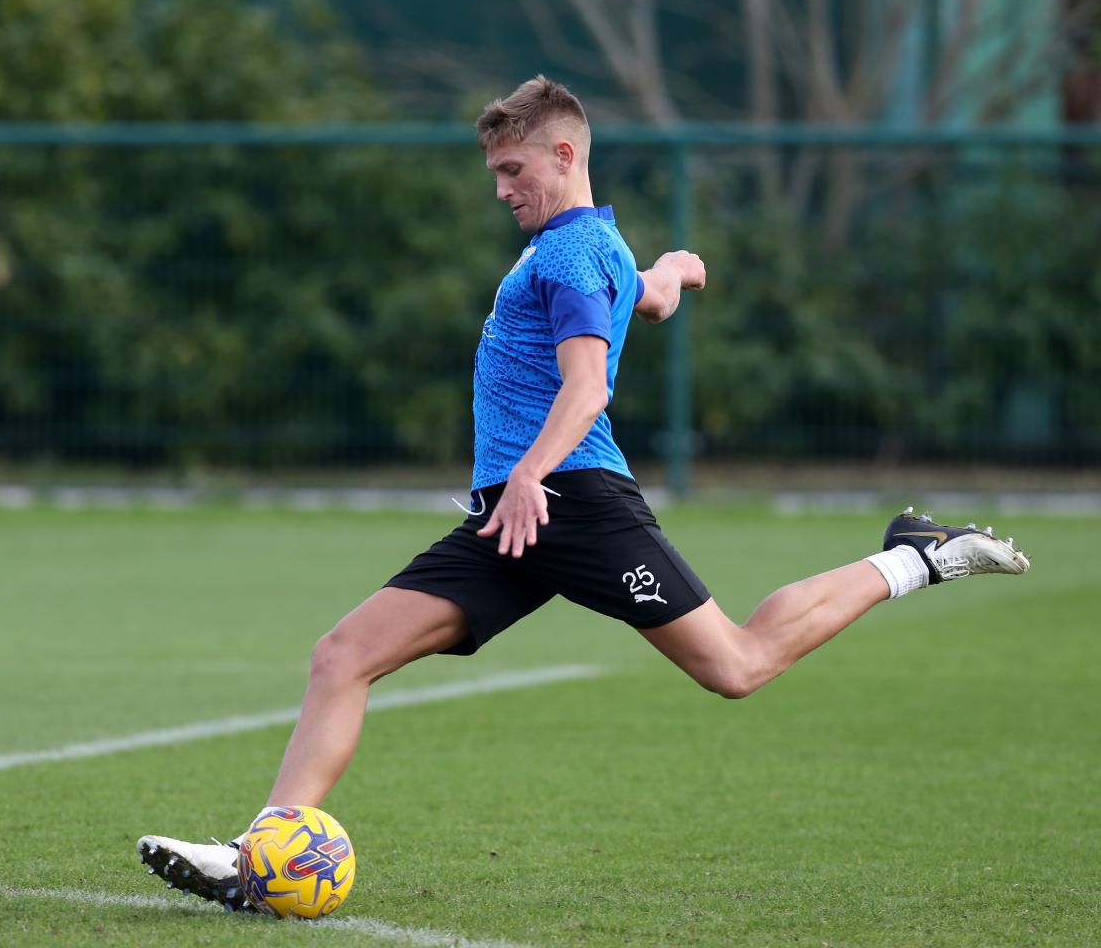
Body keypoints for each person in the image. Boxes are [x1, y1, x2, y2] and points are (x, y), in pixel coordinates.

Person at [136, 76, 1029, 911]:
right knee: (343, 655)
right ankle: (259, 857)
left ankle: (916, 554)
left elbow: (589, 386)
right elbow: (641, 299)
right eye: (495, 172)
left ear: (565, 156)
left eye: (512, 169)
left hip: (571, 501)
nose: (500, 189)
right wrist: (673, 274)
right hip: (513, 518)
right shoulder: (588, 247)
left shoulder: (568, 256)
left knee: (738, 665)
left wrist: (529, 471)